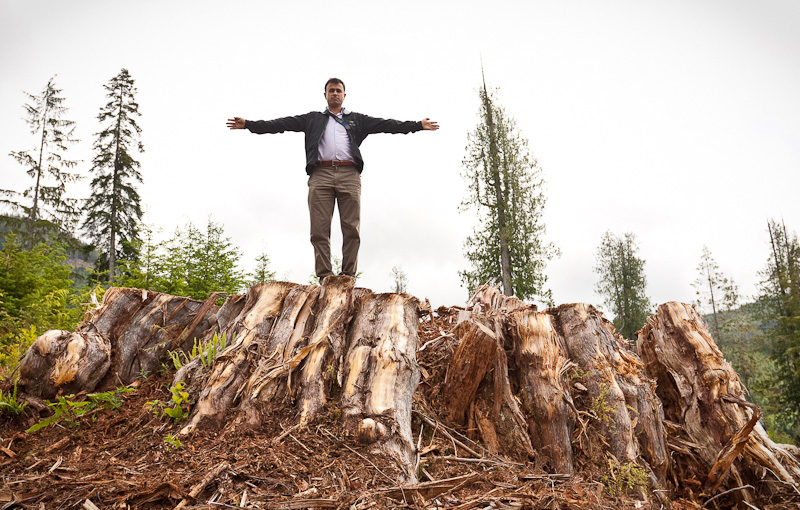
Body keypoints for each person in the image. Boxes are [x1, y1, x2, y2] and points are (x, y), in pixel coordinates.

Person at [227, 78, 439, 281]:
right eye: (331, 90)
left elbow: (389, 125)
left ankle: (348, 276)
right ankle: (326, 276)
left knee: (351, 227)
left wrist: (418, 125)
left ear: (344, 95)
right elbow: (280, 124)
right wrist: (248, 124)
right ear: (325, 95)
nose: (335, 94)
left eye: (339, 91)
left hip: (349, 175)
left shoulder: (358, 120)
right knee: (319, 229)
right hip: (321, 175)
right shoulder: (312, 119)